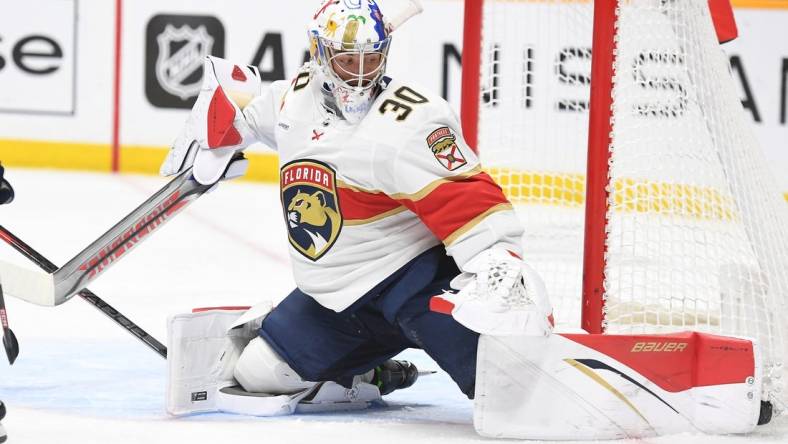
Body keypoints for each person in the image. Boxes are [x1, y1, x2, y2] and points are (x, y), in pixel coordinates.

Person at [163, 0, 552, 409]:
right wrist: (227, 132)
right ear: (320, 54)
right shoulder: (294, 99)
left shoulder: (409, 122)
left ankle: (536, 364)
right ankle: (371, 375)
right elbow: (257, 114)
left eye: (372, 59)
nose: (362, 74)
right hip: (341, 300)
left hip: (418, 284)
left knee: (511, 390)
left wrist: (500, 263)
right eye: (349, 60)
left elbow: (471, 201)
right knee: (258, 372)